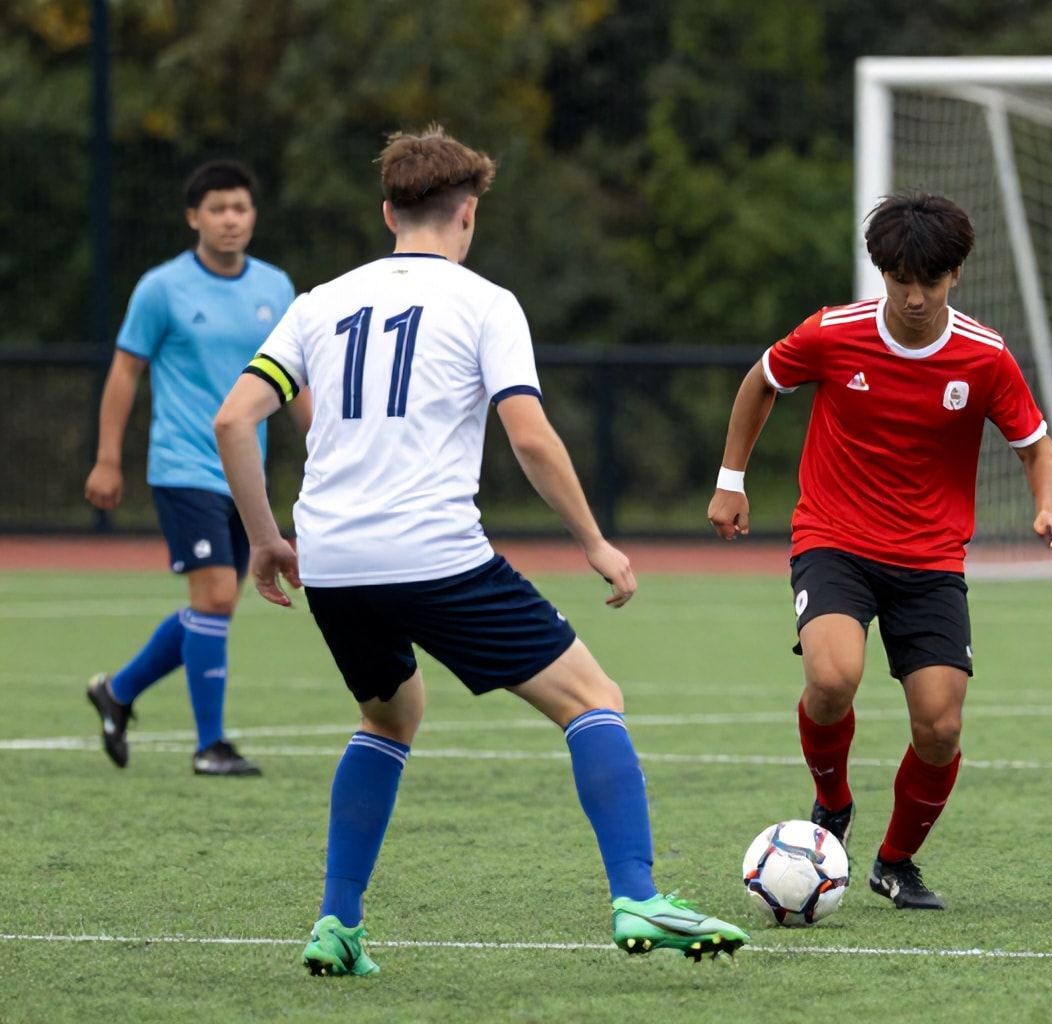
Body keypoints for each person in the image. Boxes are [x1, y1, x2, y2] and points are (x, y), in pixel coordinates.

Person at [212, 125, 747, 975]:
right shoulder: (484, 301)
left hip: (337, 562)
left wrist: (268, 539)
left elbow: (234, 420)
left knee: (389, 715)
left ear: (389, 211)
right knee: (592, 697)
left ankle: (337, 924)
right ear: (467, 217)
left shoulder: (318, 301)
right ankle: (639, 895)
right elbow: (529, 437)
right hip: (434, 554)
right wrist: (596, 543)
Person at [706, 190, 1052, 911]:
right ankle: (833, 804)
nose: (914, 297)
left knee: (940, 724)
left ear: (956, 275)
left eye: (929, 282)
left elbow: (1036, 447)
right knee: (832, 677)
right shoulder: (832, 332)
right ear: (882, 273)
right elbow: (762, 382)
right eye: (900, 280)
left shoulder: (984, 356)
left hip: (932, 557)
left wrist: (1048, 508)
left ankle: (895, 862)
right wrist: (731, 481)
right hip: (834, 539)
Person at [83, 159, 301, 777]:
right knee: (211, 597)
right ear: (193, 218)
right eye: (217, 209)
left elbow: (297, 383)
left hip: (245, 474)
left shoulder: (277, 288)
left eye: (240, 207)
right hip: (182, 465)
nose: (230, 219)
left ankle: (117, 692)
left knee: (218, 608)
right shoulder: (162, 288)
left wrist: (327, 446)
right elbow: (125, 372)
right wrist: (106, 458)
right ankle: (211, 746)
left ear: (253, 216)